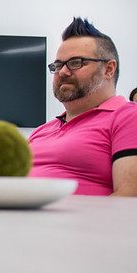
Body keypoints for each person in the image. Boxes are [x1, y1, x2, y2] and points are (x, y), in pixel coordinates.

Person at [28, 17, 137, 196]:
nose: (62, 72)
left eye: (75, 62)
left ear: (108, 69)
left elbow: (130, 198)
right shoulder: (41, 131)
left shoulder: (128, 117)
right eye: (58, 65)